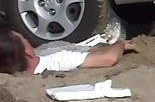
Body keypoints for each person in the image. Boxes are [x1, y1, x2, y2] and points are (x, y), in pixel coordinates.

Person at [0, 19, 136, 75]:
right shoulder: (59, 60)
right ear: (28, 52)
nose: (26, 39)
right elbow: (109, 59)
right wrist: (121, 44)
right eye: (24, 39)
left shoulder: (40, 55)